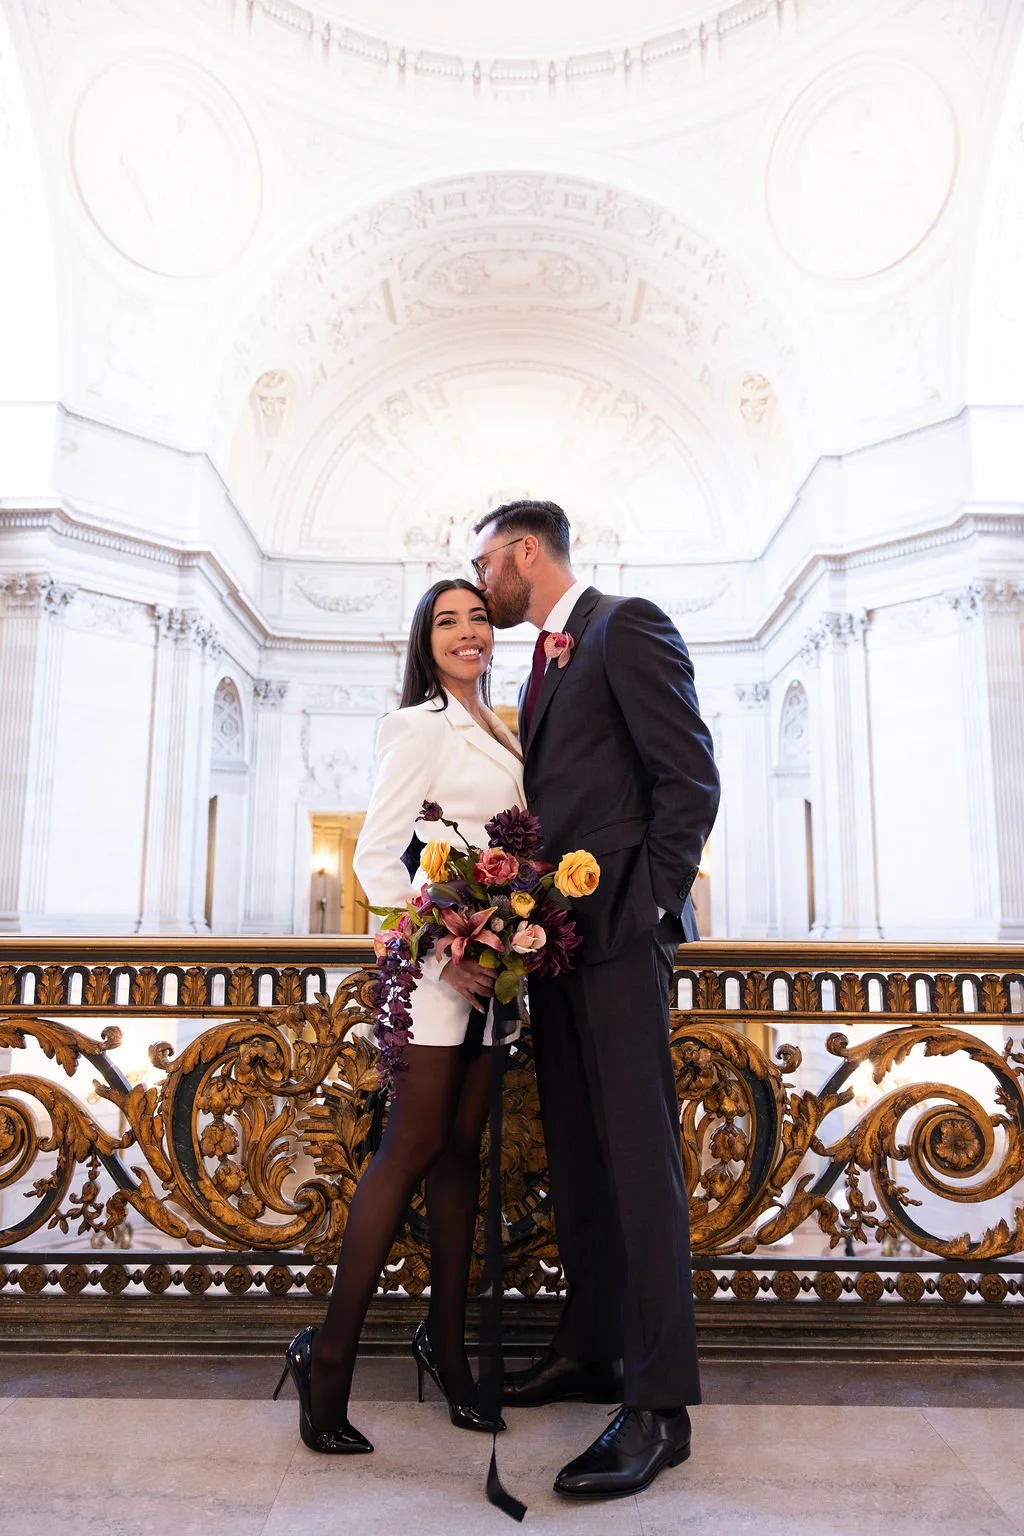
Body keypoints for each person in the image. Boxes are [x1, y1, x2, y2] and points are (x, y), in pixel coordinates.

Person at [471, 500, 720, 1500]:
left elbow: (687, 779)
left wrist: (645, 907)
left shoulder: (628, 624)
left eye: (485, 560)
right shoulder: (543, 664)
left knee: (639, 1166)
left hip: (615, 943)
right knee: (578, 1153)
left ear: (527, 552)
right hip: (560, 949)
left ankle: (660, 1405)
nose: (480, 579)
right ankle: (592, 1349)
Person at [274, 579, 526, 1453]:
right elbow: (380, 858)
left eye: (480, 618)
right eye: (447, 621)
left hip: (497, 974)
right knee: (409, 1149)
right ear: (426, 641)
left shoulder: (505, 726)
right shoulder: (416, 725)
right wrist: (443, 937)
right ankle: (330, 1358)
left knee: (462, 1153)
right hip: (433, 972)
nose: (468, 632)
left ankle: (447, 1350)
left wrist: (505, 931)